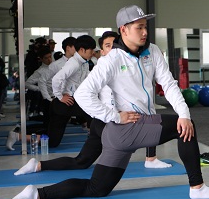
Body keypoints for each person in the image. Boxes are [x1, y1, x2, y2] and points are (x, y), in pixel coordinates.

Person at [6, 5, 209, 199]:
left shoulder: (153, 52)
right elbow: (83, 94)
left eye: (145, 27)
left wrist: (183, 113)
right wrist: (114, 116)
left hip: (122, 134)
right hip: (127, 126)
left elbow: (168, 84)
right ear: (124, 30)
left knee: (96, 188)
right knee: (185, 127)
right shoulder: (111, 60)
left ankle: (37, 194)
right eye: (139, 27)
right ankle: (197, 187)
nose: (144, 32)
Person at [13, 31, 171, 174]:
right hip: (105, 123)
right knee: (88, 162)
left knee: (81, 162)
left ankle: (38, 165)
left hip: (103, 123)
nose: (113, 49)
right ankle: (149, 159)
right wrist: (60, 96)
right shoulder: (101, 69)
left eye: (115, 45)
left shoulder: (120, 66)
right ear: (102, 52)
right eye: (108, 46)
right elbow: (85, 94)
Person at [47, 35, 95, 148]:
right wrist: (60, 96)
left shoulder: (85, 62)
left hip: (73, 101)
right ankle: (20, 136)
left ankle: (95, 137)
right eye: (91, 50)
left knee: (93, 112)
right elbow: (56, 79)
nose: (93, 53)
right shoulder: (73, 63)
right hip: (64, 103)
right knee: (52, 141)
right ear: (82, 50)